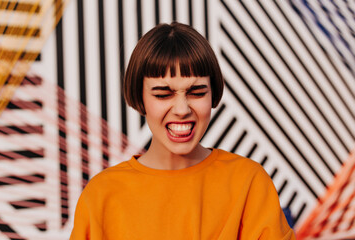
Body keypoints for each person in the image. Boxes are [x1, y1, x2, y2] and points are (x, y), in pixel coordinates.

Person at [70, 22, 296, 239]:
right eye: (162, 94)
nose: (181, 109)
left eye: (197, 92)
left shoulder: (248, 182)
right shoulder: (102, 195)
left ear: (213, 94)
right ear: (140, 97)